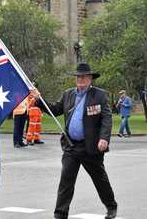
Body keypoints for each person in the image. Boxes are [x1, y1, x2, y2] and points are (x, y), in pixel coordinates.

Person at [32, 62, 117, 219]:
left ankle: (111, 206)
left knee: (100, 179)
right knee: (66, 181)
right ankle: (60, 214)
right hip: (71, 146)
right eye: (78, 77)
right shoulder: (68, 94)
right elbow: (55, 110)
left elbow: (106, 118)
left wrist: (104, 138)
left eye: (83, 76)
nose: (80, 79)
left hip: (91, 147)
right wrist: (39, 101)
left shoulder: (99, 95)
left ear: (90, 78)